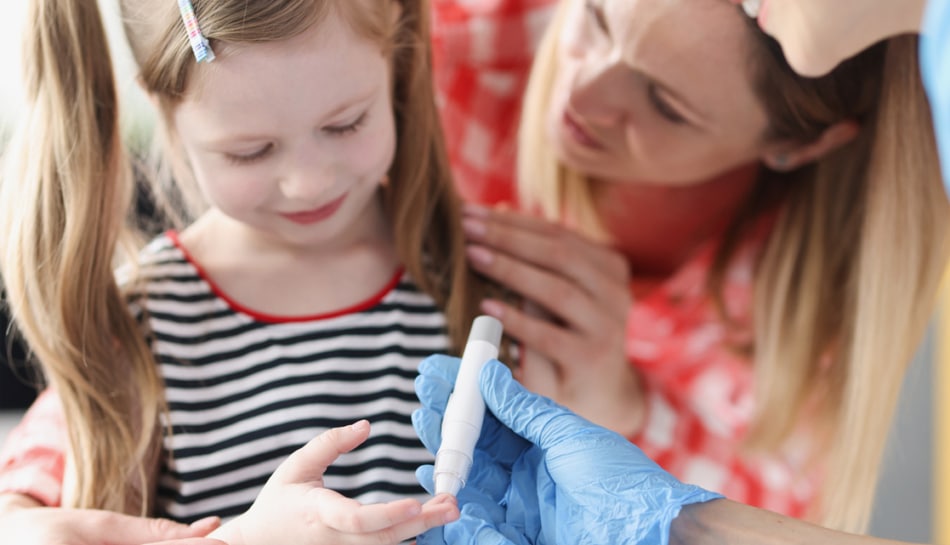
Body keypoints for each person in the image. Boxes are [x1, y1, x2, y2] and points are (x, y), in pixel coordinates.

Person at [409, 0, 950, 543]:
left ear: (796, 146)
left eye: (667, 106)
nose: (580, 94)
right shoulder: (459, 39)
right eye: (596, 18)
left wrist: (624, 409)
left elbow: (771, 505)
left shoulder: (801, 322)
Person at [0, 0, 477, 542]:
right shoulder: (139, 322)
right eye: (250, 152)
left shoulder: (476, 272)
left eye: (345, 124)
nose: (309, 183)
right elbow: (20, 521)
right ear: (164, 109)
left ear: (397, 47)